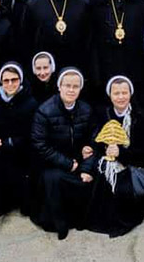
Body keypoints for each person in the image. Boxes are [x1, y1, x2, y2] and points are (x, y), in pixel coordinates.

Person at [30, 67, 95, 240]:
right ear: (59, 87)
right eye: (67, 85)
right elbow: (40, 144)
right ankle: (59, 223)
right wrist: (68, 163)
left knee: (90, 179)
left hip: (79, 160)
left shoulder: (87, 109)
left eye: (75, 86)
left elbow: (94, 140)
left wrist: (86, 168)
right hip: (53, 162)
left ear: (80, 89)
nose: (71, 90)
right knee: (54, 179)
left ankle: (79, 219)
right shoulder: (44, 111)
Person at [86, 76, 144, 237]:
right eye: (116, 93)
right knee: (101, 182)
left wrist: (121, 154)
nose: (121, 97)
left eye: (124, 92)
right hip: (106, 161)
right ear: (110, 95)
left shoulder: (141, 116)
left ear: (131, 94)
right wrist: (104, 149)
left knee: (122, 185)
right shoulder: (103, 114)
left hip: (132, 164)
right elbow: (96, 140)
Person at [0, 62, 39, 218]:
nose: (10, 84)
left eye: (14, 79)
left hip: (22, 149)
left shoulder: (31, 103)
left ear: (21, 80)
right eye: (6, 80)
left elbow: (32, 133)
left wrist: (11, 142)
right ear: (0, 81)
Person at [91, 0, 144, 94]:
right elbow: (92, 40)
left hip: (134, 65)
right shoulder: (96, 4)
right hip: (106, 66)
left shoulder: (140, 3)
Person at [24, 0, 90, 71]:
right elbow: (26, 39)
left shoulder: (80, 4)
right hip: (44, 68)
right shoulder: (33, 4)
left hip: (73, 64)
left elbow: (86, 37)